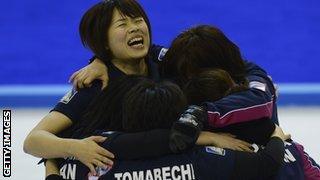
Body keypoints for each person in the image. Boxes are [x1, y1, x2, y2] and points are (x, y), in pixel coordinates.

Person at [49, 76, 289, 180]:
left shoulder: (90, 157)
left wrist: (52, 161)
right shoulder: (204, 161)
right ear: (177, 117)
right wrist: (276, 134)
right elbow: (267, 164)